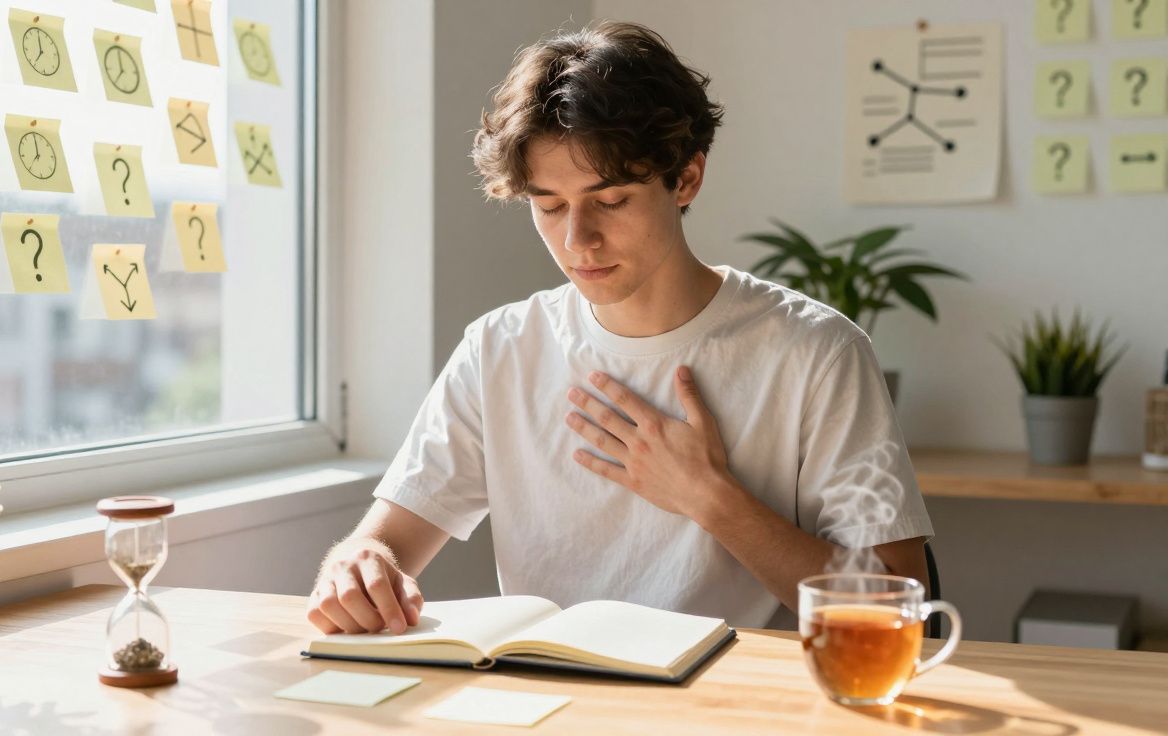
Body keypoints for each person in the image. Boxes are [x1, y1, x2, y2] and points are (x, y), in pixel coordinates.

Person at [306, 21, 933, 637]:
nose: (577, 239)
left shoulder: (818, 352)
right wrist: (358, 564)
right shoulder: (499, 349)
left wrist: (710, 498)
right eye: (550, 206)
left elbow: (896, 604)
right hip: (546, 690)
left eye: (610, 201)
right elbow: (384, 542)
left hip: (733, 693)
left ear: (686, 178)